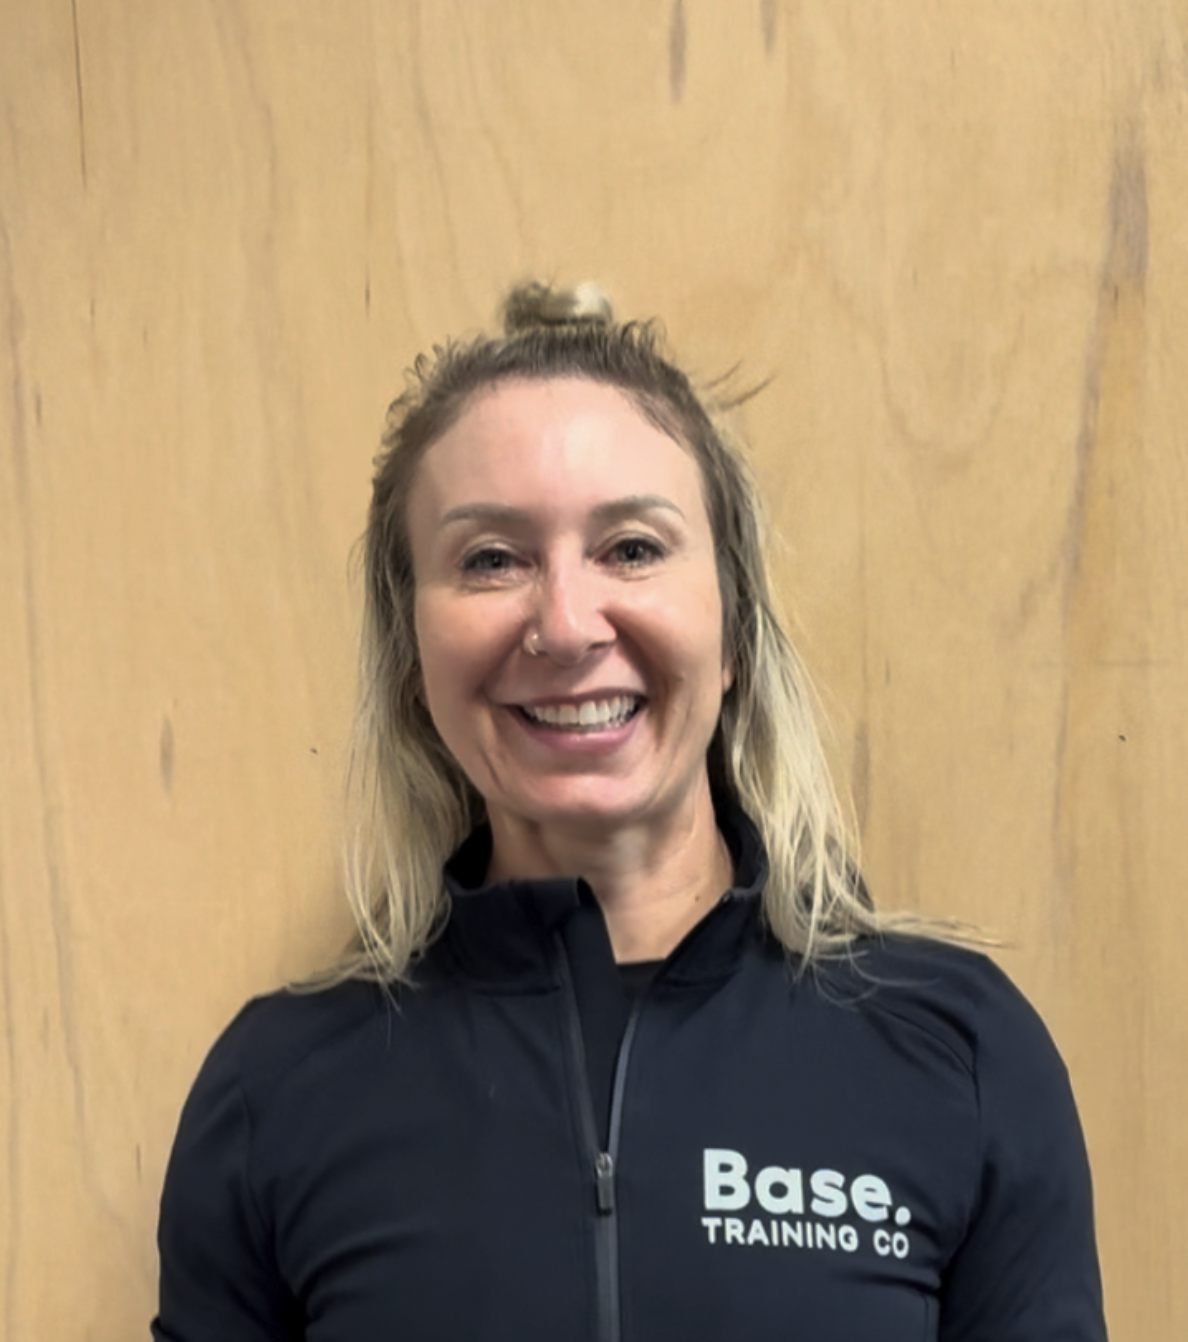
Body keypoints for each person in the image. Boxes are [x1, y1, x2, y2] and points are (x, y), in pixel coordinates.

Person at [152, 283, 1108, 1341]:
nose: (564, 624)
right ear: (412, 654)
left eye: (633, 548)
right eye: (491, 559)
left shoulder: (957, 1052)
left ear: (733, 621)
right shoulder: (278, 1091)